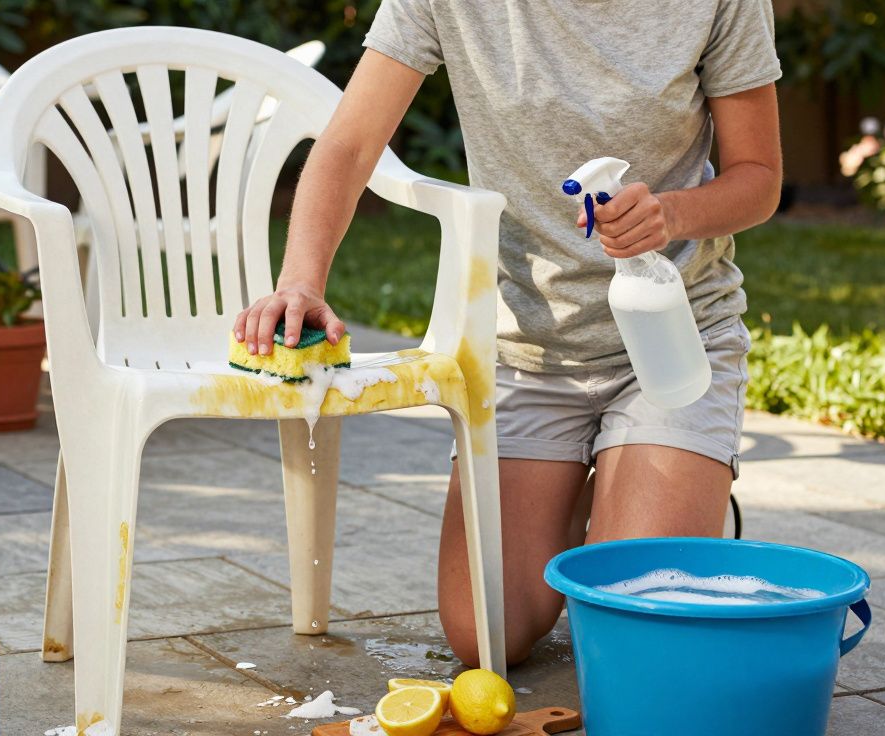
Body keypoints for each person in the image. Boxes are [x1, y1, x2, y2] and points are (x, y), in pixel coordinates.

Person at [233, 0, 783, 667]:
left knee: (629, 634)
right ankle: (610, 486)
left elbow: (759, 178)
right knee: (484, 634)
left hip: (671, 340)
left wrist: (672, 214)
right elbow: (349, 144)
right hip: (529, 347)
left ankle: (669, 487)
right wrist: (302, 282)